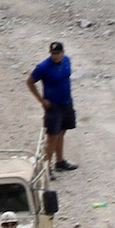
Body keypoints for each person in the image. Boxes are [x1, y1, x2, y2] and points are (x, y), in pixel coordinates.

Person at [26, 40, 76, 171]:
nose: (55, 56)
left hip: (66, 102)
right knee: (52, 136)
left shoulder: (67, 61)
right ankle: (46, 168)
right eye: (53, 53)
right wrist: (41, 100)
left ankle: (60, 161)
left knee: (62, 132)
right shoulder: (43, 67)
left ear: (62, 53)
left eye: (57, 53)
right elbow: (30, 82)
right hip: (53, 106)